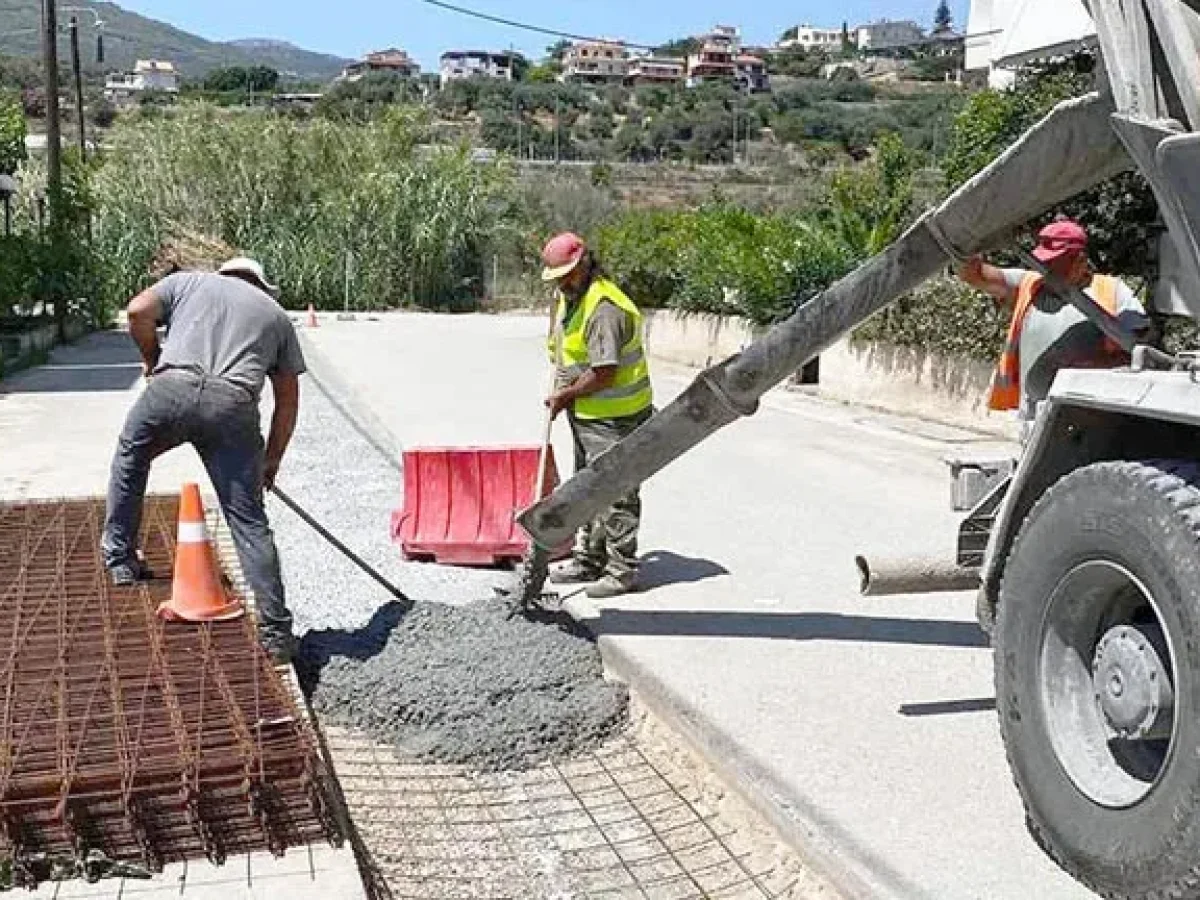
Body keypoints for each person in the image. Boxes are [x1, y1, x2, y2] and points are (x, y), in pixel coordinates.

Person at [102, 256, 305, 663]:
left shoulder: (188, 283)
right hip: (232, 405)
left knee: (131, 457)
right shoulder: (276, 316)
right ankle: (276, 633)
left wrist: (151, 357)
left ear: (222, 273)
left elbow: (138, 310)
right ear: (261, 284)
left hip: (171, 389)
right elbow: (287, 398)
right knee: (247, 520)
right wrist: (271, 460)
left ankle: (121, 560)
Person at [957, 219, 1151, 443]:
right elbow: (976, 275)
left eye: (1055, 263)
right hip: (1034, 417)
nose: (1046, 270)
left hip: (1089, 422)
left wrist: (1087, 367)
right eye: (1043, 262)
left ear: (1080, 260)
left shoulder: (1112, 291)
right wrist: (966, 248)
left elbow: (1139, 352)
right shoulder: (1028, 284)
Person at [541, 232, 654, 599]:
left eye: (567, 275)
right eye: (557, 277)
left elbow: (604, 371)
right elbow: (563, 346)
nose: (562, 283)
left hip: (616, 417)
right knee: (588, 488)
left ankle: (622, 570)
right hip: (587, 413)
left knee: (615, 491)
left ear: (586, 264)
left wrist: (565, 395)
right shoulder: (568, 297)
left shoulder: (604, 307)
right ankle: (589, 559)